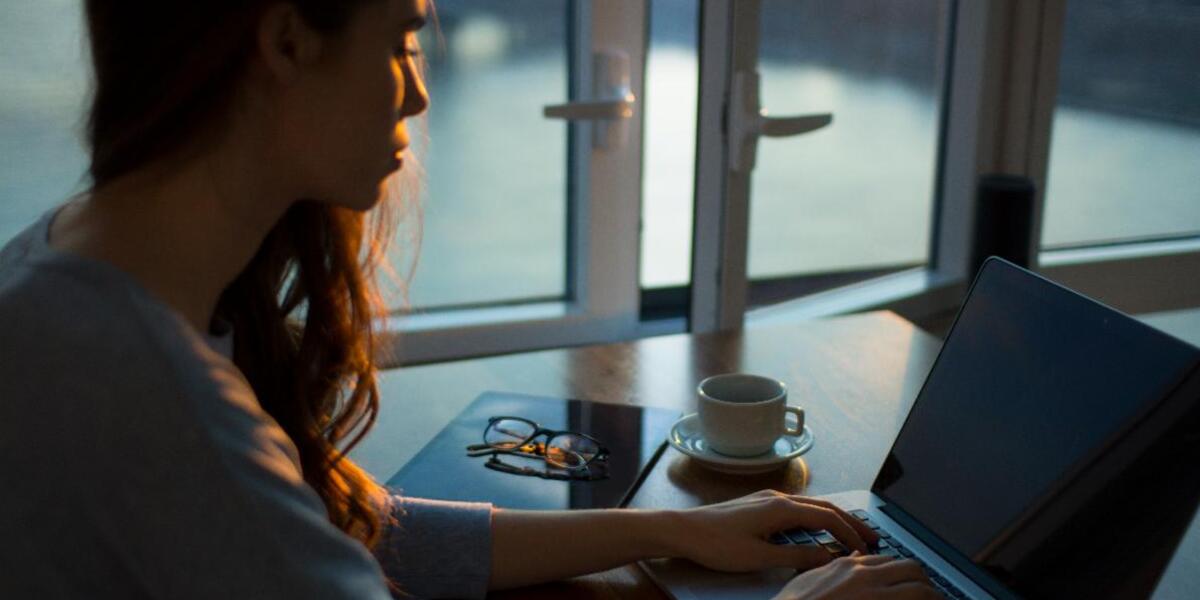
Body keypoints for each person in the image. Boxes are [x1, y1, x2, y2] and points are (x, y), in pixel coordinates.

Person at [0, 1, 938, 598]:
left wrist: (674, 530)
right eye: (402, 37)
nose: (415, 93)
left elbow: (335, 535)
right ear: (287, 38)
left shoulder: (65, 262)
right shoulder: (159, 405)